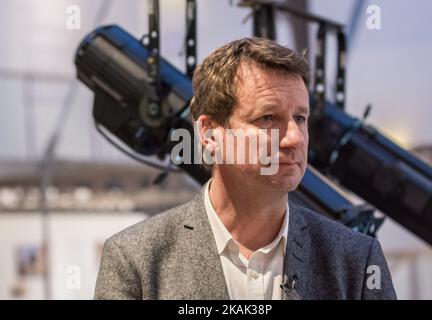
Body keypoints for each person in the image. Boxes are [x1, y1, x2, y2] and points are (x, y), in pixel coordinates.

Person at [94, 37, 396, 300]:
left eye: (300, 119)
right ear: (210, 133)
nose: (293, 138)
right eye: (267, 118)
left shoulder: (356, 261)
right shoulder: (135, 261)